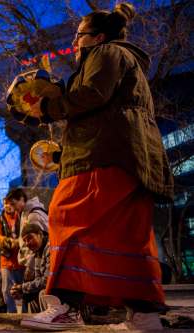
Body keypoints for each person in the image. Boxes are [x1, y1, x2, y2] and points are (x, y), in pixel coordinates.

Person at [22, 3, 174, 331]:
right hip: (130, 157)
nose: (75, 42)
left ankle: (64, 307)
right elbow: (108, 113)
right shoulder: (125, 59)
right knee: (124, 236)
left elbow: (93, 95)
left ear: (98, 37)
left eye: (79, 36)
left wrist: (48, 107)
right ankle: (145, 316)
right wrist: (63, 156)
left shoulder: (105, 54)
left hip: (103, 159)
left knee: (65, 218)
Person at [11, 223, 50, 317]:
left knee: (42, 293)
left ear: (40, 234)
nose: (27, 243)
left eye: (30, 238)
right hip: (50, 288)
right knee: (32, 297)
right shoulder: (37, 252)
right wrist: (21, 292)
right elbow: (38, 279)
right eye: (25, 240)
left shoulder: (50, 247)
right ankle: (38, 325)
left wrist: (22, 288)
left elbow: (46, 281)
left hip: (65, 290)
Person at [0, 198, 24, 313]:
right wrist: (7, 241)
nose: (8, 206)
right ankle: (12, 313)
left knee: (24, 288)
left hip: (21, 261)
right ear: (3, 204)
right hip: (6, 260)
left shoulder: (21, 216)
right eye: (6, 203)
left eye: (11, 203)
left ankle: (26, 314)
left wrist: (18, 242)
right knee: (6, 290)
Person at [4, 188, 48, 268]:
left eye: (13, 204)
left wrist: (30, 266)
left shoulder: (32, 216)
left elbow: (36, 245)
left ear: (21, 199)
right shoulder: (26, 212)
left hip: (36, 264)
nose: (13, 208)